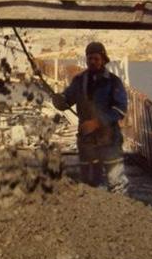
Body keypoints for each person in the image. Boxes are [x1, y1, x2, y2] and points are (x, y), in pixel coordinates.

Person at [52, 42, 127, 188]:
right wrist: (59, 100)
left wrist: (97, 123)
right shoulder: (79, 81)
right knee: (90, 184)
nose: (92, 62)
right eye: (89, 58)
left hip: (109, 139)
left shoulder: (113, 82)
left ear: (103, 59)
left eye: (96, 58)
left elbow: (120, 109)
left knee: (116, 181)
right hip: (87, 141)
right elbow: (67, 98)